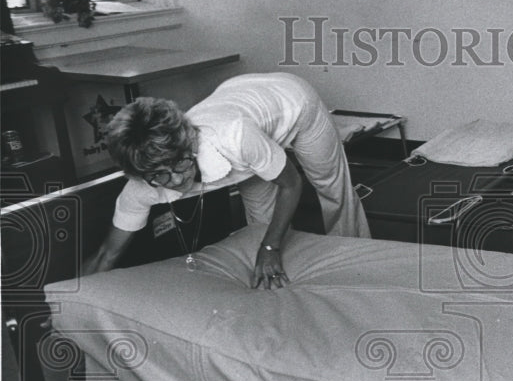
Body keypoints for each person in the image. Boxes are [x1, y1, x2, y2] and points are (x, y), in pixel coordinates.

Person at [83, 72, 370, 288]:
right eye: (159, 175)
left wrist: (270, 247)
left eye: (180, 164)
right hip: (240, 108)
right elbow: (107, 253)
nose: (176, 180)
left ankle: (356, 262)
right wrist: (68, 300)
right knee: (260, 224)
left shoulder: (235, 136)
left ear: (190, 144)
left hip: (293, 101)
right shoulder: (143, 186)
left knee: (329, 185)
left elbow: (291, 183)